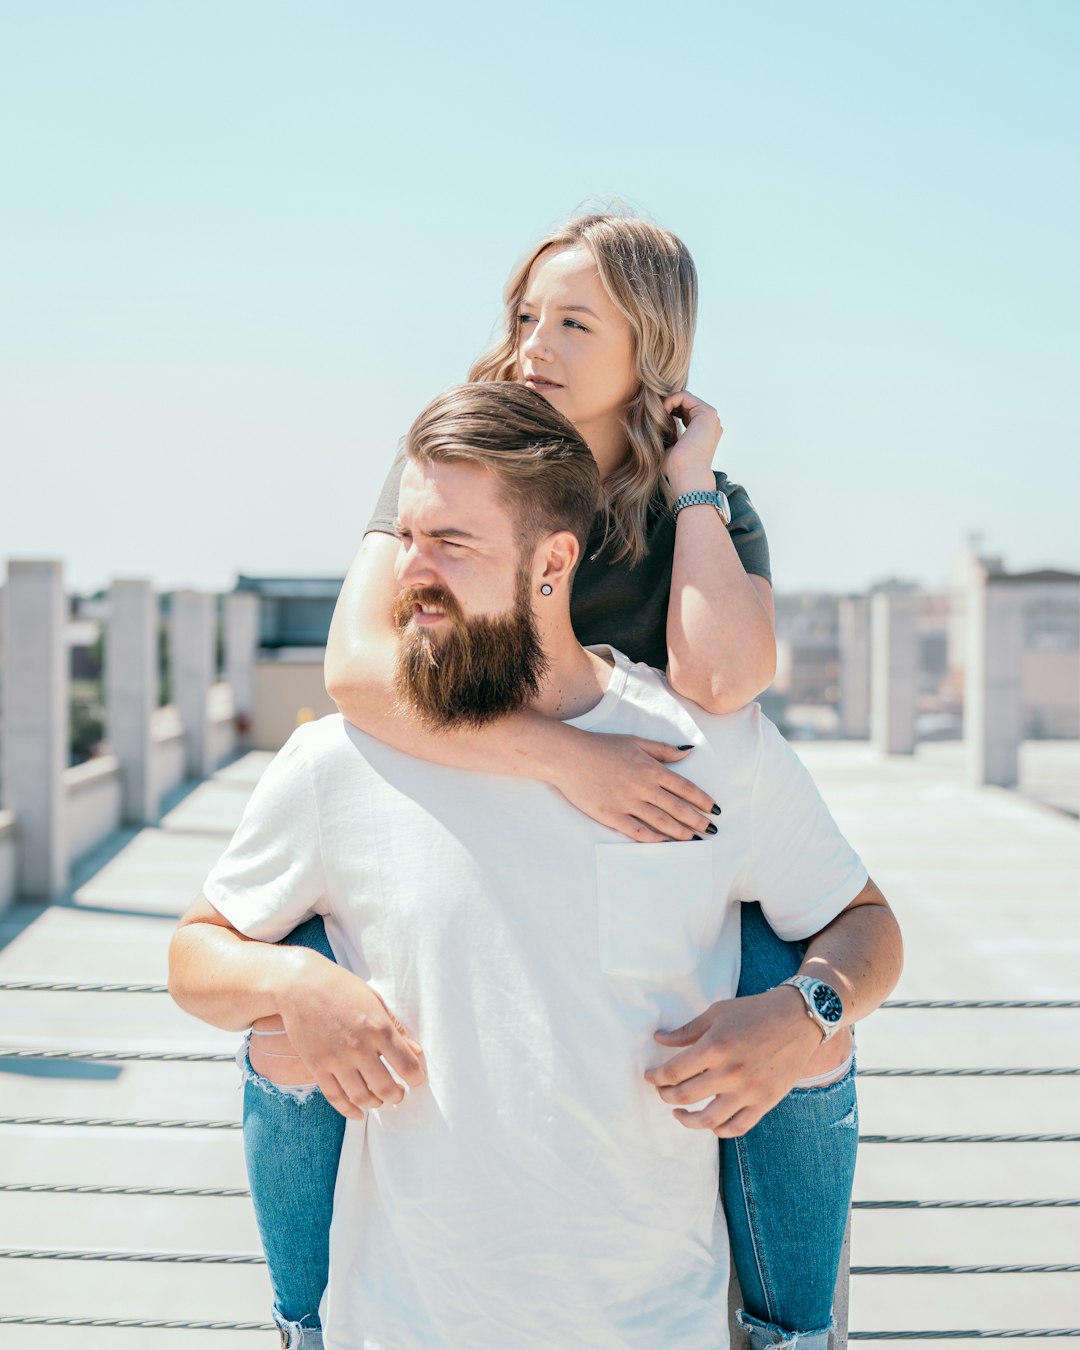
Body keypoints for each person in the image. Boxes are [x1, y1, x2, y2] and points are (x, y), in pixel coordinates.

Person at [234, 214, 865, 1348]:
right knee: (299, 987)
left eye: (574, 321)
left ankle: (792, 1327)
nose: (534, 345)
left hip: (661, 843)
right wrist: (562, 758)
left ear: (651, 348)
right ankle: (303, 1319)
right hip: (498, 787)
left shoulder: (704, 498)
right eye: (525, 315)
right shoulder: (459, 462)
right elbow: (359, 671)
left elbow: (722, 681)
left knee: (796, 995)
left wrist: (691, 479)